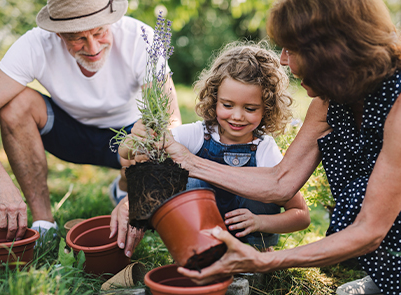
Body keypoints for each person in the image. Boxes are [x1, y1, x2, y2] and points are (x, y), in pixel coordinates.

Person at [134, 0, 401, 294]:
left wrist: (265, 261)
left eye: (291, 49)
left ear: (332, 51)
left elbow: (370, 230)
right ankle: (396, 280)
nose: (282, 60)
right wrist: (183, 160)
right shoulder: (332, 97)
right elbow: (281, 181)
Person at [0, 0, 181, 257]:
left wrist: (139, 195)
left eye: (99, 32)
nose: (93, 48)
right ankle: (44, 223)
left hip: (127, 139)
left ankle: (125, 185)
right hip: (69, 135)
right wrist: (1, 182)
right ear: (58, 33)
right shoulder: (35, 44)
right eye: (77, 38)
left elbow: (171, 123)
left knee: (155, 132)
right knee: (14, 106)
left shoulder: (141, 39)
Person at [122, 42, 311, 251]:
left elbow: (301, 216)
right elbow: (130, 151)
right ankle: (197, 249)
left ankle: (258, 251)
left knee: (265, 187)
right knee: (188, 180)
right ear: (214, 100)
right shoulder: (198, 134)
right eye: (227, 105)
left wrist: (260, 222)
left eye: (250, 108)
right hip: (202, 239)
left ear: (267, 108)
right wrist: (136, 138)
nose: (237, 116)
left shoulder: (264, 148)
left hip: (249, 241)